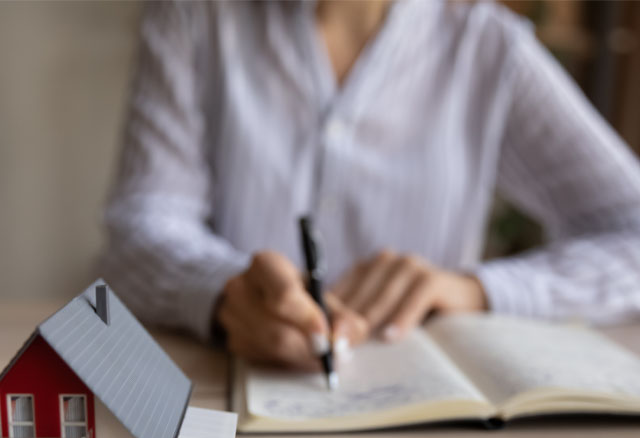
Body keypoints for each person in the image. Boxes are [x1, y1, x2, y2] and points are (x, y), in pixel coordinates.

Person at [103, 0, 640, 371]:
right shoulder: (195, 18)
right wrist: (221, 292)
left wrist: (476, 290)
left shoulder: (489, 50)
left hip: (424, 433)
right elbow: (140, 229)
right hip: (231, 400)